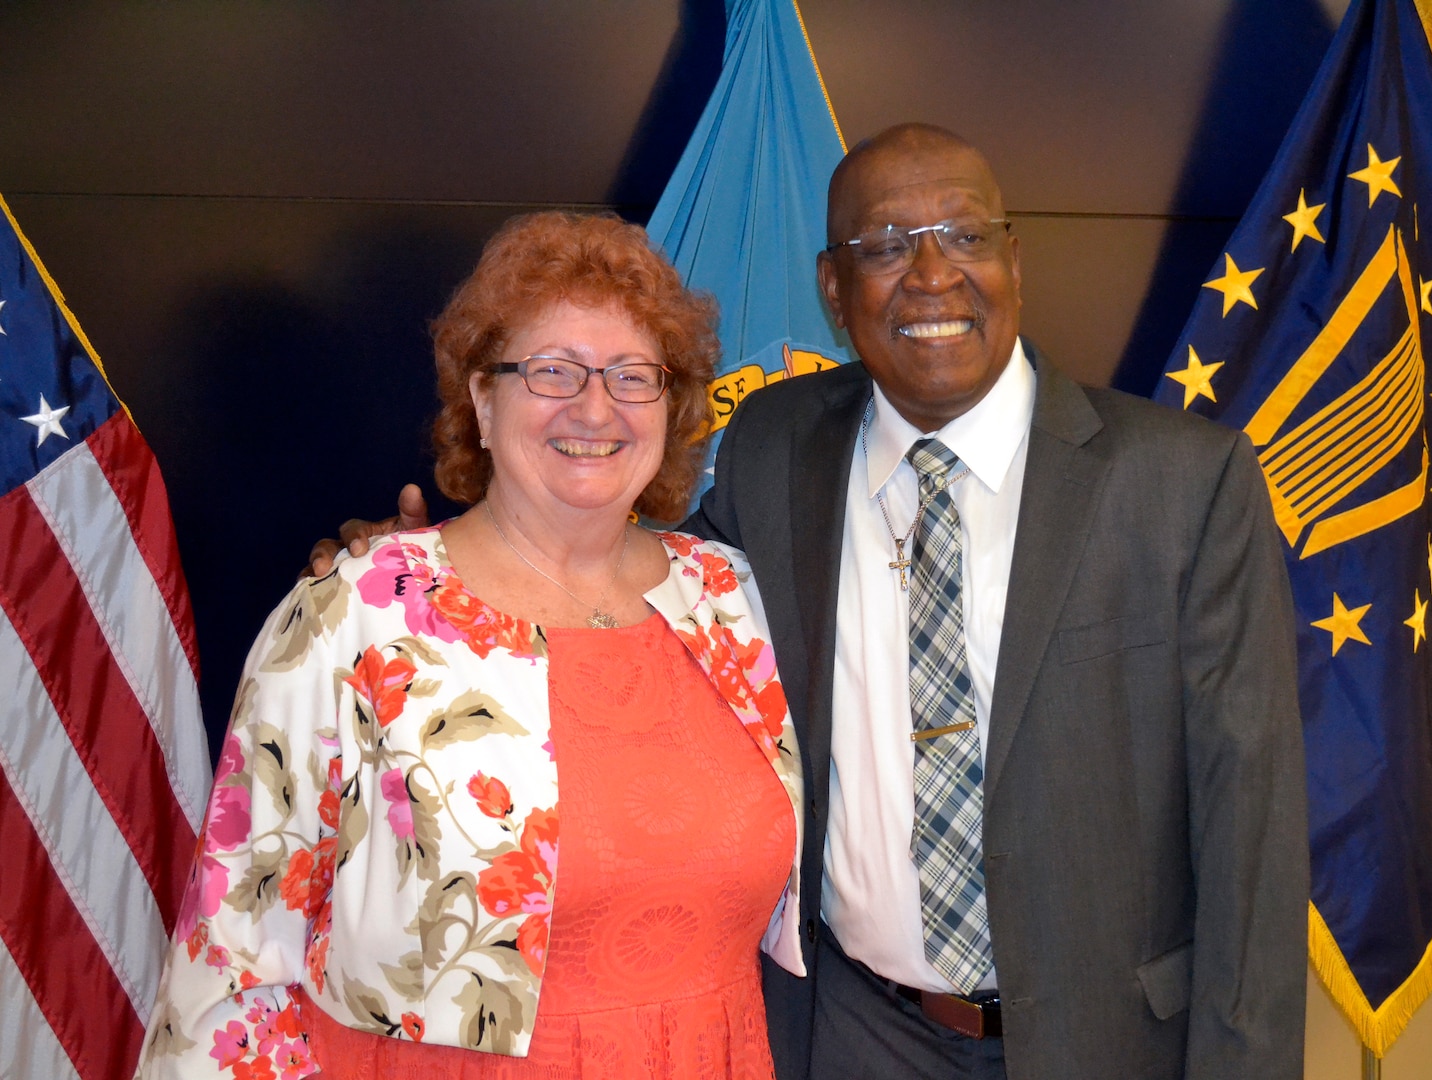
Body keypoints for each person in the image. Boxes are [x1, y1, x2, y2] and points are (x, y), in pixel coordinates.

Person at [317, 124, 1309, 1080]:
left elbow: (1252, 840)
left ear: (1014, 258)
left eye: (965, 236)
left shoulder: (1183, 484)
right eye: (886, 246)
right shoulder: (775, 446)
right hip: (850, 1035)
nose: (932, 274)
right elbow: (613, 588)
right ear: (833, 290)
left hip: (1115, 1045)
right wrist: (428, 577)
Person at [140, 211, 805, 1080]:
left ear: (672, 408)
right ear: (482, 403)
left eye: (632, 376)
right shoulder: (359, 612)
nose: (594, 407)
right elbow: (238, 944)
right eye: (552, 371)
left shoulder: (734, 601)